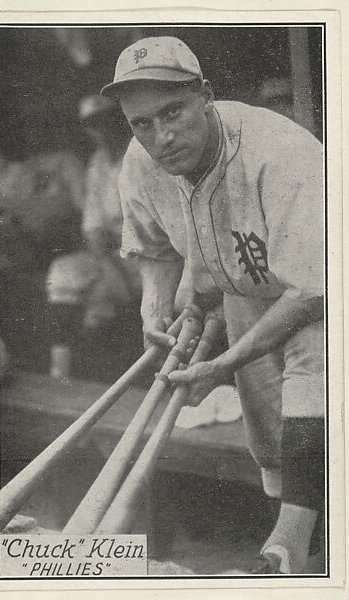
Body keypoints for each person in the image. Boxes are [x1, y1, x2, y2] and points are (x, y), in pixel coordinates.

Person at [100, 36, 325, 575]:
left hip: (322, 291)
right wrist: (156, 308)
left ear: (205, 94)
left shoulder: (283, 152)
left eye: (172, 111)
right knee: (272, 437)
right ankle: (302, 555)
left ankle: (286, 551)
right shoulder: (142, 159)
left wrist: (225, 361)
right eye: (141, 123)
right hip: (248, 293)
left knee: (313, 385)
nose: (160, 135)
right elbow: (154, 247)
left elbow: (312, 290)